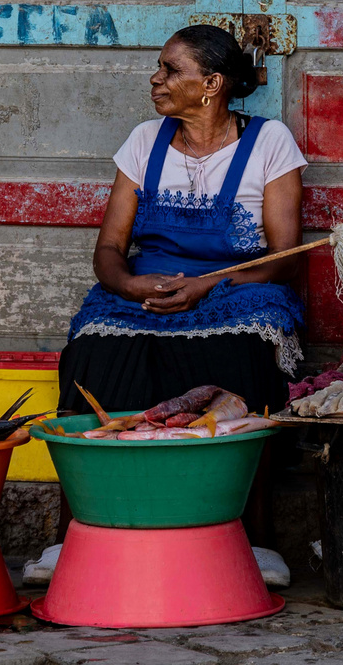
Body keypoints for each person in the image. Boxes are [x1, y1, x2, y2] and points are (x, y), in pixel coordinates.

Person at [58, 24, 308, 420]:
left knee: (240, 350)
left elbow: (286, 259)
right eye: (159, 67)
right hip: (146, 293)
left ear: (211, 83)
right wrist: (126, 283)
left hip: (235, 292)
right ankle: (108, 464)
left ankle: (231, 470)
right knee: (94, 347)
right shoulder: (144, 140)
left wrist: (207, 284)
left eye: (170, 69)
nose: (156, 78)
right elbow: (108, 249)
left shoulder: (269, 141)